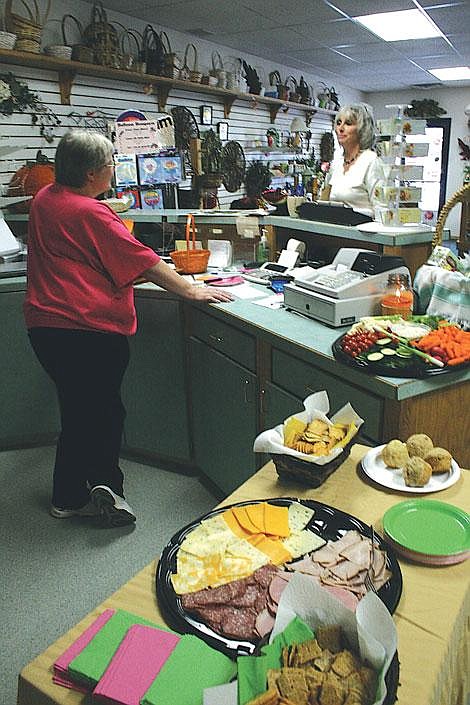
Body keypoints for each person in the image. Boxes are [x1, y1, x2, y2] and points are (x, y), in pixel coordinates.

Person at [24, 129, 233, 528]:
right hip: (87, 330)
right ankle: (88, 494)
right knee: (101, 414)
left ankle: (77, 489)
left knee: (80, 411)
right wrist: (189, 288)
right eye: (109, 166)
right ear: (90, 174)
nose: (112, 172)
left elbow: (82, 257)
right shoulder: (93, 211)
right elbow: (144, 261)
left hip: (46, 328)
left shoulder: (44, 199)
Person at [322, 103, 383, 216]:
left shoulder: (371, 161)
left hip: (363, 230)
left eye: (348, 123)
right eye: (339, 123)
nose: (340, 128)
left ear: (362, 130)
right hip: (337, 229)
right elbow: (324, 199)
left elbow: (381, 208)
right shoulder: (337, 163)